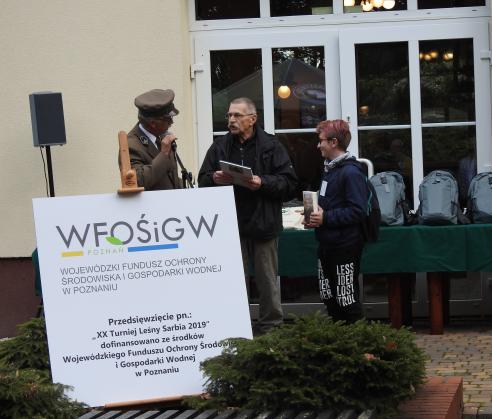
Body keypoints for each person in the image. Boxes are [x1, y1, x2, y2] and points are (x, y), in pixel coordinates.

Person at [198, 97, 298, 332]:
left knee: (267, 280)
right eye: (229, 115)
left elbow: (290, 183)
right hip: (231, 225)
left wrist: (262, 182)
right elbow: (202, 179)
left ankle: (271, 327)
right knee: (234, 281)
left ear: (252, 119)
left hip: (263, 222)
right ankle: (237, 327)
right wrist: (214, 178)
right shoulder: (220, 146)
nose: (231, 120)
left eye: (237, 115)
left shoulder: (272, 146)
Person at [304, 119, 368, 323]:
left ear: (333, 142)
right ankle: (338, 339)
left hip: (345, 246)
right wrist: (314, 215)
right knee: (328, 295)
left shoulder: (351, 172)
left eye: (321, 140)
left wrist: (326, 217)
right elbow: (330, 204)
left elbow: (358, 211)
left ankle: (358, 340)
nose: (318, 145)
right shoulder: (329, 170)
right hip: (326, 244)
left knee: (346, 298)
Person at [120, 88, 182, 190]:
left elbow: (170, 178)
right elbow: (137, 181)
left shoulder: (161, 136)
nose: (171, 122)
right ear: (153, 123)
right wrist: (163, 154)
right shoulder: (130, 145)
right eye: (168, 119)